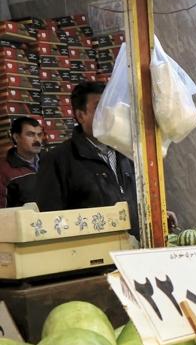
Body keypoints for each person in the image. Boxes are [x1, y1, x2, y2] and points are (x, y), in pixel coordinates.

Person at [35, 82, 138, 237]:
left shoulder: (126, 153)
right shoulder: (58, 160)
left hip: (132, 252)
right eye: (99, 107)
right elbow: (50, 220)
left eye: (110, 106)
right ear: (81, 115)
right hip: (93, 255)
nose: (108, 113)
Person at [0, 116, 42, 207]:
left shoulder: (50, 162)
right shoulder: (4, 171)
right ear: (16, 137)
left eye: (39, 135)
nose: (37, 140)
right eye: (30, 135)